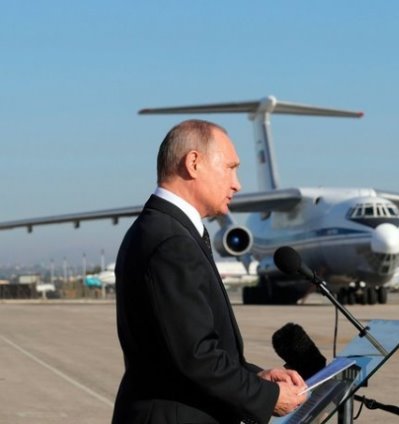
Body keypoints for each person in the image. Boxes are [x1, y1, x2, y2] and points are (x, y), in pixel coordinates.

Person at [112, 120, 306, 424]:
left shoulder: (163, 229)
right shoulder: (171, 241)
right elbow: (196, 356)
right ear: (193, 163)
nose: (237, 183)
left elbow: (184, 349)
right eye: (230, 167)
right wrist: (267, 397)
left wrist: (257, 378)